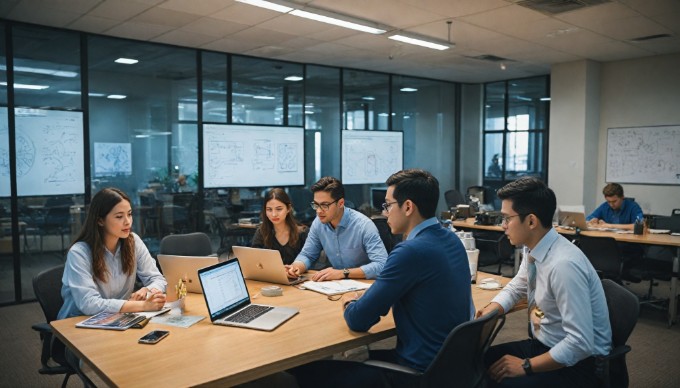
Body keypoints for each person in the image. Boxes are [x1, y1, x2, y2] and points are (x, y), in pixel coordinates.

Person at [292, 169, 471, 387]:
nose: (384, 213)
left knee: (307, 371)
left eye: (387, 205)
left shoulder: (410, 251)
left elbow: (358, 319)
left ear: (407, 207)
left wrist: (351, 301)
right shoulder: (452, 240)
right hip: (451, 366)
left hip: (417, 373)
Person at [476, 177, 611, 388]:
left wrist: (526, 366)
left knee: (496, 382)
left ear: (531, 221)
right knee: (475, 361)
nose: (503, 226)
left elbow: (580, 344)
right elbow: (519, 284)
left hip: (580, 365)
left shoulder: (563, 265)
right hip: (545, 344)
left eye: (506, 218)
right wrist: (493, 309)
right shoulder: (534, 246)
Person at [58, 187, 167, 320]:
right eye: (119, 216)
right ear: (100, 220)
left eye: (130, 214)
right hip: (78, 322)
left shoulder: (133, 242)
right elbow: (89, 304)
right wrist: (142, 305)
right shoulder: (79, 253)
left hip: (117, 318)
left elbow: (157, 279)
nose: (127, 221)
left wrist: (148, 290)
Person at [286, 176, 387, 281]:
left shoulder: (364, 226)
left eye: (324, 205)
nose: (319, 211)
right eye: (316, 205)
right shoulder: (318, 223)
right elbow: (307, 254)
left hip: (365, 287)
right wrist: (296, 267)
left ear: (340, 203)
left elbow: (382, 265)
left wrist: (343, 273)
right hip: (337, 287)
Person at [251, 188, 308, 265]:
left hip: (298, 275)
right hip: (270, 276)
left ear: (288, 208)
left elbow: (310, 259)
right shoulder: (261, 232)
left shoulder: (302, 233)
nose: (274, 214)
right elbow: (255, 261)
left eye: (279, 209)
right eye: (269, 210)